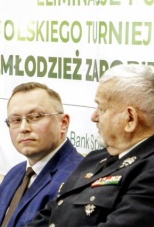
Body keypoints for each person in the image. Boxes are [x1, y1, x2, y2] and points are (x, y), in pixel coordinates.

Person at [27, 64, 154, 226]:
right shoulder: (96, 158)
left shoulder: (149, 171)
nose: (94, 117)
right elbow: (49, 214)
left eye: (102, 108)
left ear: (130, 119)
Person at [0, 82, 83, 227]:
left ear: (63, 123)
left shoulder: (77, 179)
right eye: (16, 120)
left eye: (35, 117)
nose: (23, 128)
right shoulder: (13, 175)